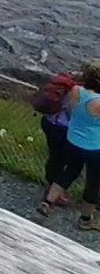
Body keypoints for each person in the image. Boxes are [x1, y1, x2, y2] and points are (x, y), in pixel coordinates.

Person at [34, 71, 79, 218]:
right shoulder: (77, 91)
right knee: (65, 161)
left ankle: (50, 186)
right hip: (63, 127)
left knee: (54, 156)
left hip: (49, 122)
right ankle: (54, 192)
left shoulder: (65, 83)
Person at [66, 63, 100, 232]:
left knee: (70, 171)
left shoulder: (75, 90)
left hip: (73, 139)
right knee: (94, 183)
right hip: (94, 147)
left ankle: (48, 202)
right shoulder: (98, 102)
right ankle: (86, 219)